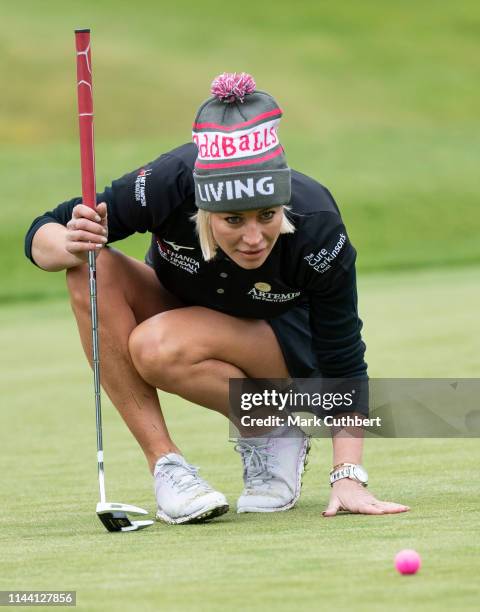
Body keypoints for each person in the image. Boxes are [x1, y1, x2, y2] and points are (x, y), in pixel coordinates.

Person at [25, 72, 409, 524]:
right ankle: (168, 466)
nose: (254, 238)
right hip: (189, 313)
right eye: (232, 220)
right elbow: (45, 229)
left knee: (156, 345)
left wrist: (347, 475)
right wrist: (69, 241)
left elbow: (344, 360)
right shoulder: (170, 182)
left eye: (267, 215)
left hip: (287, 351)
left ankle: (271, 425)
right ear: (203, 207)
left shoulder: (317, 224)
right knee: (90, 267)